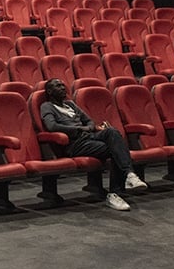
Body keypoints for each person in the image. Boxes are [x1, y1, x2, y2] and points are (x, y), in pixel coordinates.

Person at [39, 78, 146, 211]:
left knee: (112, 131)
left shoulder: (70, 104)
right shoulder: (47, 106)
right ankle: (117, 191)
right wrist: (79, 129)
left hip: (89, 137)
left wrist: (88, 128)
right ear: (49, 91)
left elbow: (89, 121)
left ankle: (129, 176)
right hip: (74, 143)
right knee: (116, 151)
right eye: (57, 86)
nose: (62, 87)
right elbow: (52, 126)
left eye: (62, 85)